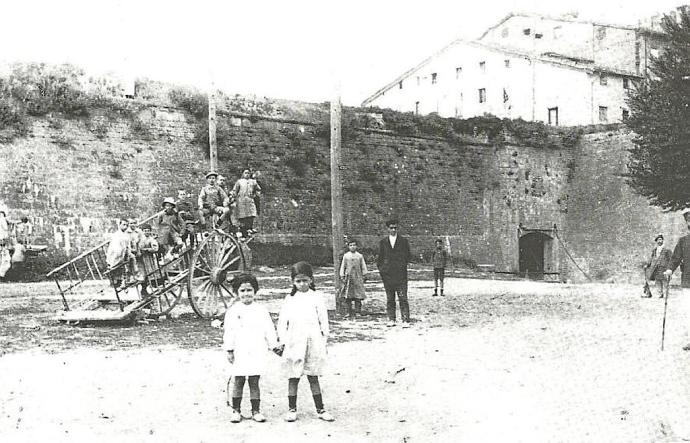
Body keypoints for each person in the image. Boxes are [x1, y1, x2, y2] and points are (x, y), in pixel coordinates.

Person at [278, 261, 335, 422]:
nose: (302, 284)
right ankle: (292, 409)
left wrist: (324, 340)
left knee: (313, 374)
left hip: (313, 340)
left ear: (311, 280)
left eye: (305, 280)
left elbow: (323, 320)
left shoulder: (316, 297)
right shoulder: (290, 299)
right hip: (294, 341)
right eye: (298, 281)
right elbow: (283, 322)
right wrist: (282, 340)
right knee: (293, 375)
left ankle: (320, 409)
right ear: (293, 282)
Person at [223, 273, 281, 423]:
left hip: (256, 349)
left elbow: (269, 329)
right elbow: (229, 332)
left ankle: (256, 410)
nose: (246, 294)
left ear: (255, 291)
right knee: (239, 379)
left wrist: (274, 345)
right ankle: (236, 410)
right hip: (240, 350)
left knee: (254, 380)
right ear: (237, 293)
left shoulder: (261, 310)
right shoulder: (233, 311)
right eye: (242, 291)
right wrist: (229, 349)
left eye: (249, 290)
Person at [376, 219, 412, 327]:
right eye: (391, 228)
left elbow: (408, 256)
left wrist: (401, 265)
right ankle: (391, 319)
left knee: (403, 297)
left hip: (401, 275)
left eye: (395, 228)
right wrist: (383, 271)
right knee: (390, 298)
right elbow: (380, 259)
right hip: (388, 275)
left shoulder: (403, 241)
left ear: (397, 228)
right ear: (388, 229)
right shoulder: (383, 242)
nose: (393, 230)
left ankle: (405, 319)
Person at [664, 208, 690, 350]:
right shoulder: (683, 241)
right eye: (689, 221)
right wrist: (669, 270)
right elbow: (675, 258)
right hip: (688, 282)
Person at [339, 239, 368, 319]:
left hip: (358, 277)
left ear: (356, 246)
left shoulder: (359, 256)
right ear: (348, 246)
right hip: (349, 278)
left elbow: (363, 266)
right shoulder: (346, 256)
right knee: (348, 295)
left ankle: (358, 311)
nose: (352, 247)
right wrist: (342, 275)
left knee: (357, 295)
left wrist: (365, 274)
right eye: (351, 245)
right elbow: (343, 266)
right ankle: (349, 312)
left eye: (354, 245)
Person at [232, 169, 262, 238]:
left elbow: (258, 189)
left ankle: (249, 228)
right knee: (242, 216)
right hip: (241, 201)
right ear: (243, 174)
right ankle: (243, 232)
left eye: (248, 173)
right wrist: (233, 197)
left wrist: (255, 195)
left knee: (251, 215)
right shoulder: (239, 182)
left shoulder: (253, 182)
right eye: (245, 173)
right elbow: (235, 191)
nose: (247, 174)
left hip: (249, 200)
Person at [106, 219, 133, 288]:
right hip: (116, 254)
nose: (125, 226)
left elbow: (128, 245)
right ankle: (113, 282)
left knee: (121, 269)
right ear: (119, 225)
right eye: (124, 225)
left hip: (122, 255)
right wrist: (119, 253)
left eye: (127, 225)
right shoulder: (116, 235)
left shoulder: (126, 235)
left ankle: (120, 282)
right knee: (113, 267)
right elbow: (116, 247)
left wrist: (128, 252)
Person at [643, 233, 672, 298]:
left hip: (664, 268)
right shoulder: (654, 250)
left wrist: (669, 268)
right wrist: (647, 265)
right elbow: (651, 258)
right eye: (658, 240)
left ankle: (666, 294)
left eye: (660, 239)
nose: (659, 241)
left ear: (662, 240)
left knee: (665, 281)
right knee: (658, 281)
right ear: (656, 241)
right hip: (656, 268)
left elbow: (671, 259)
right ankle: (660, 294)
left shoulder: (666, 250)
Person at [137, 223, 159, 296]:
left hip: (149, 258)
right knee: (142, 274)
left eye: (148, 231)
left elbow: (155, 248)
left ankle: (152, 286)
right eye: (145, 231)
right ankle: (143, 290)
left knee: (149, 273)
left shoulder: (151, 239)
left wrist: (147, 250)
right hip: (141, 259)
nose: (147, 232)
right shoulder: (140, 239)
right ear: (142, 231)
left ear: (150, 231)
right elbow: (138, 246)